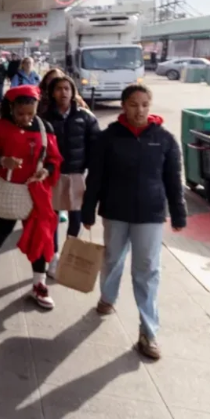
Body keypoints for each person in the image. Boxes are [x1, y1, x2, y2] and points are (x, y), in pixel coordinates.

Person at [82, 84, 187, 360]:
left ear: (149, 106)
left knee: (148, 270)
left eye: (144, 104)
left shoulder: (164, 139)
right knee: (112, 258)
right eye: (133, 104)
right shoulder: (108, 138)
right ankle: (108, 297)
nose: (139, 110)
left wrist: (178, 213)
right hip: (115, 211)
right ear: (123, 105)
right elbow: (95, 177)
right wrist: (87, 209)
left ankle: (148, 332)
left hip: (150, 214)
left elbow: (173, 180)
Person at [0, 85, 63, 309]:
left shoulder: (45, 128)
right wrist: (3, 160)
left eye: (30, 113)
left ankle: (39, 284)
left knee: (41, 236)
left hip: (37, 192)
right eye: (20, 113)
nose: (25, 118)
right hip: (8, 190)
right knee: (1, 230)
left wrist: (46, 172)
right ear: (10, 108)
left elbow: (54, 159)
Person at [41, 77, 100, 277]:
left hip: (77, 175)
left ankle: (69, 252)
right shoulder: (44, 117)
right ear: (52, 93)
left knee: (76, 217)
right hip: (53, 175)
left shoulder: (85, 117)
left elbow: (95, 147)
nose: (63, 93)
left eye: (67, 89)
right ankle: (54, 256)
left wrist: (93, 173)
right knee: (53, 218)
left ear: (73, 92)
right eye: (59, 89)